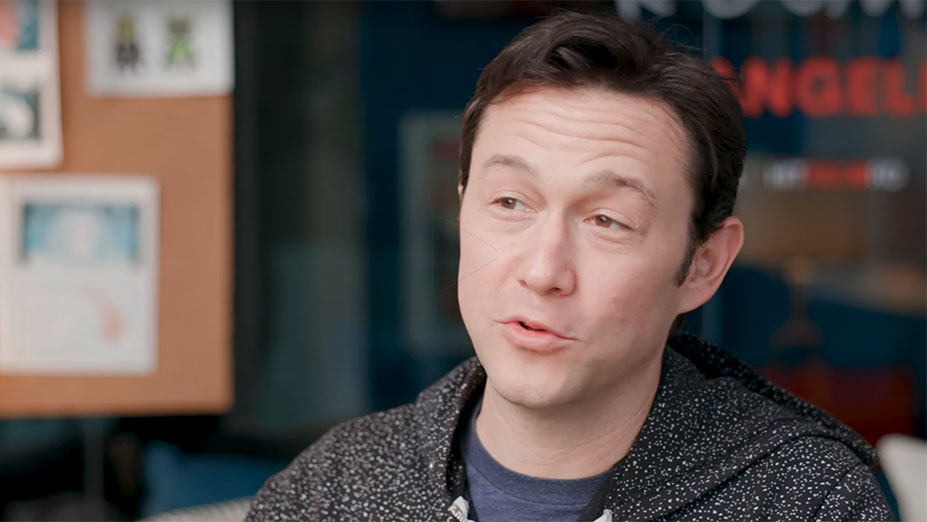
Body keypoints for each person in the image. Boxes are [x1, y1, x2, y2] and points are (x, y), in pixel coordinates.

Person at [246, 10, 893, 522]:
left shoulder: (804, 500)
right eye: (509, 202)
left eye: (606, 220)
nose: (542, 270)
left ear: (702, 265)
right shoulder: (329, 491)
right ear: (462, 209)